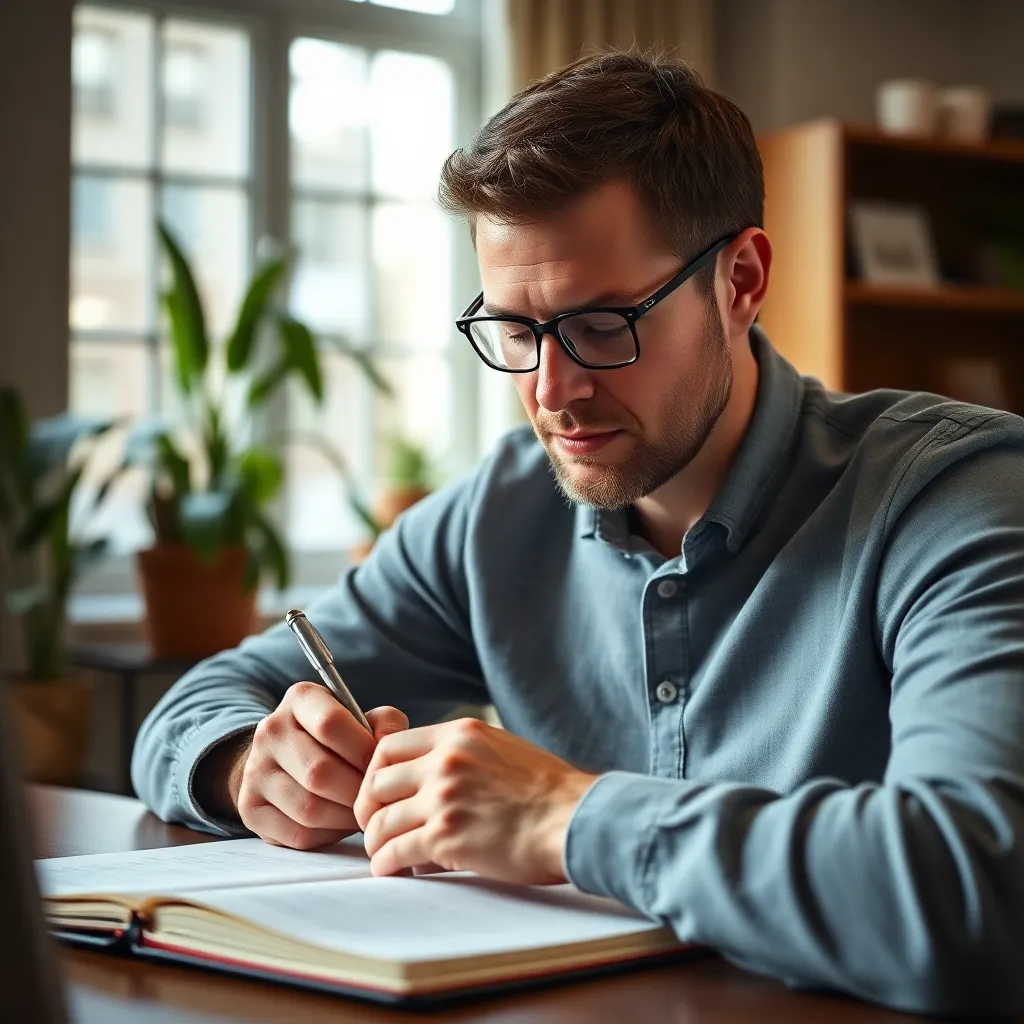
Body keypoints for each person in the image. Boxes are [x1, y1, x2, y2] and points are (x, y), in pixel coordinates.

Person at [132, 51, 1024, 1015]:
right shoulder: (498, 514)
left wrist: (563, 817)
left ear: (741, 280)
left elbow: (977, 891)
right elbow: (204, 699)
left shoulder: (957, 499)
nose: (551, 392)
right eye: (514, 331)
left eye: (602, 324)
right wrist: (247, 765)